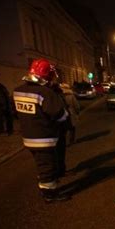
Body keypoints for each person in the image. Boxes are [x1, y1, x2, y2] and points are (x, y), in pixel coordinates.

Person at [13, 59, 69, 202]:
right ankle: (50, 194)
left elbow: (14, 113)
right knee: (47, 166)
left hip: (28, 137)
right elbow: (60, 115)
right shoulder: (45, 92)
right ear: (47, 76)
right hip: (45, 138)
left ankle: (48, 186)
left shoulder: (17, 91)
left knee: (41, 164)